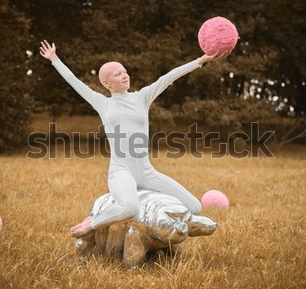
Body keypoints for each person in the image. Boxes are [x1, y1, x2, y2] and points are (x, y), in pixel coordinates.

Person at [39, 40, 223, 238]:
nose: (124, 75)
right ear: (106, 83)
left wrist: (201, 60)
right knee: (129, 208)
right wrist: (54, 59)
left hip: (146, 172)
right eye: (117, 74)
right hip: (121, 171)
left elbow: (169, 76)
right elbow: (73, 81)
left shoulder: (142, 97)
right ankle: (94, 220)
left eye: (124, 71)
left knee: (194, 206)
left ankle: (158, 223)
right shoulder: (102, 103)